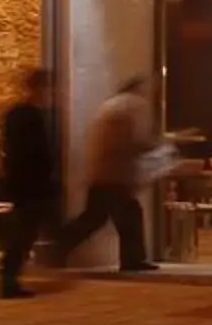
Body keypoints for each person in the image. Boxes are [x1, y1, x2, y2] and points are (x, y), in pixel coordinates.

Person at [56, 74, 158, 273]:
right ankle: (132, 260)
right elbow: (124, 143)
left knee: (95, 218)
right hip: (114, 176)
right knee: (128, 216)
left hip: (103, 174)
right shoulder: (124, 109)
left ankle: (60, 244)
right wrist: (148, 147)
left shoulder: (110, 107)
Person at [0, 66, 60, 300]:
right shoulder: (29, 115)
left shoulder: (17, 114)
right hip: (29, 186)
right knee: (21, 236)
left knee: (22, 235)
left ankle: (9, 281)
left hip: (23, 184)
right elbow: (33, 153)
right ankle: (8, 283)